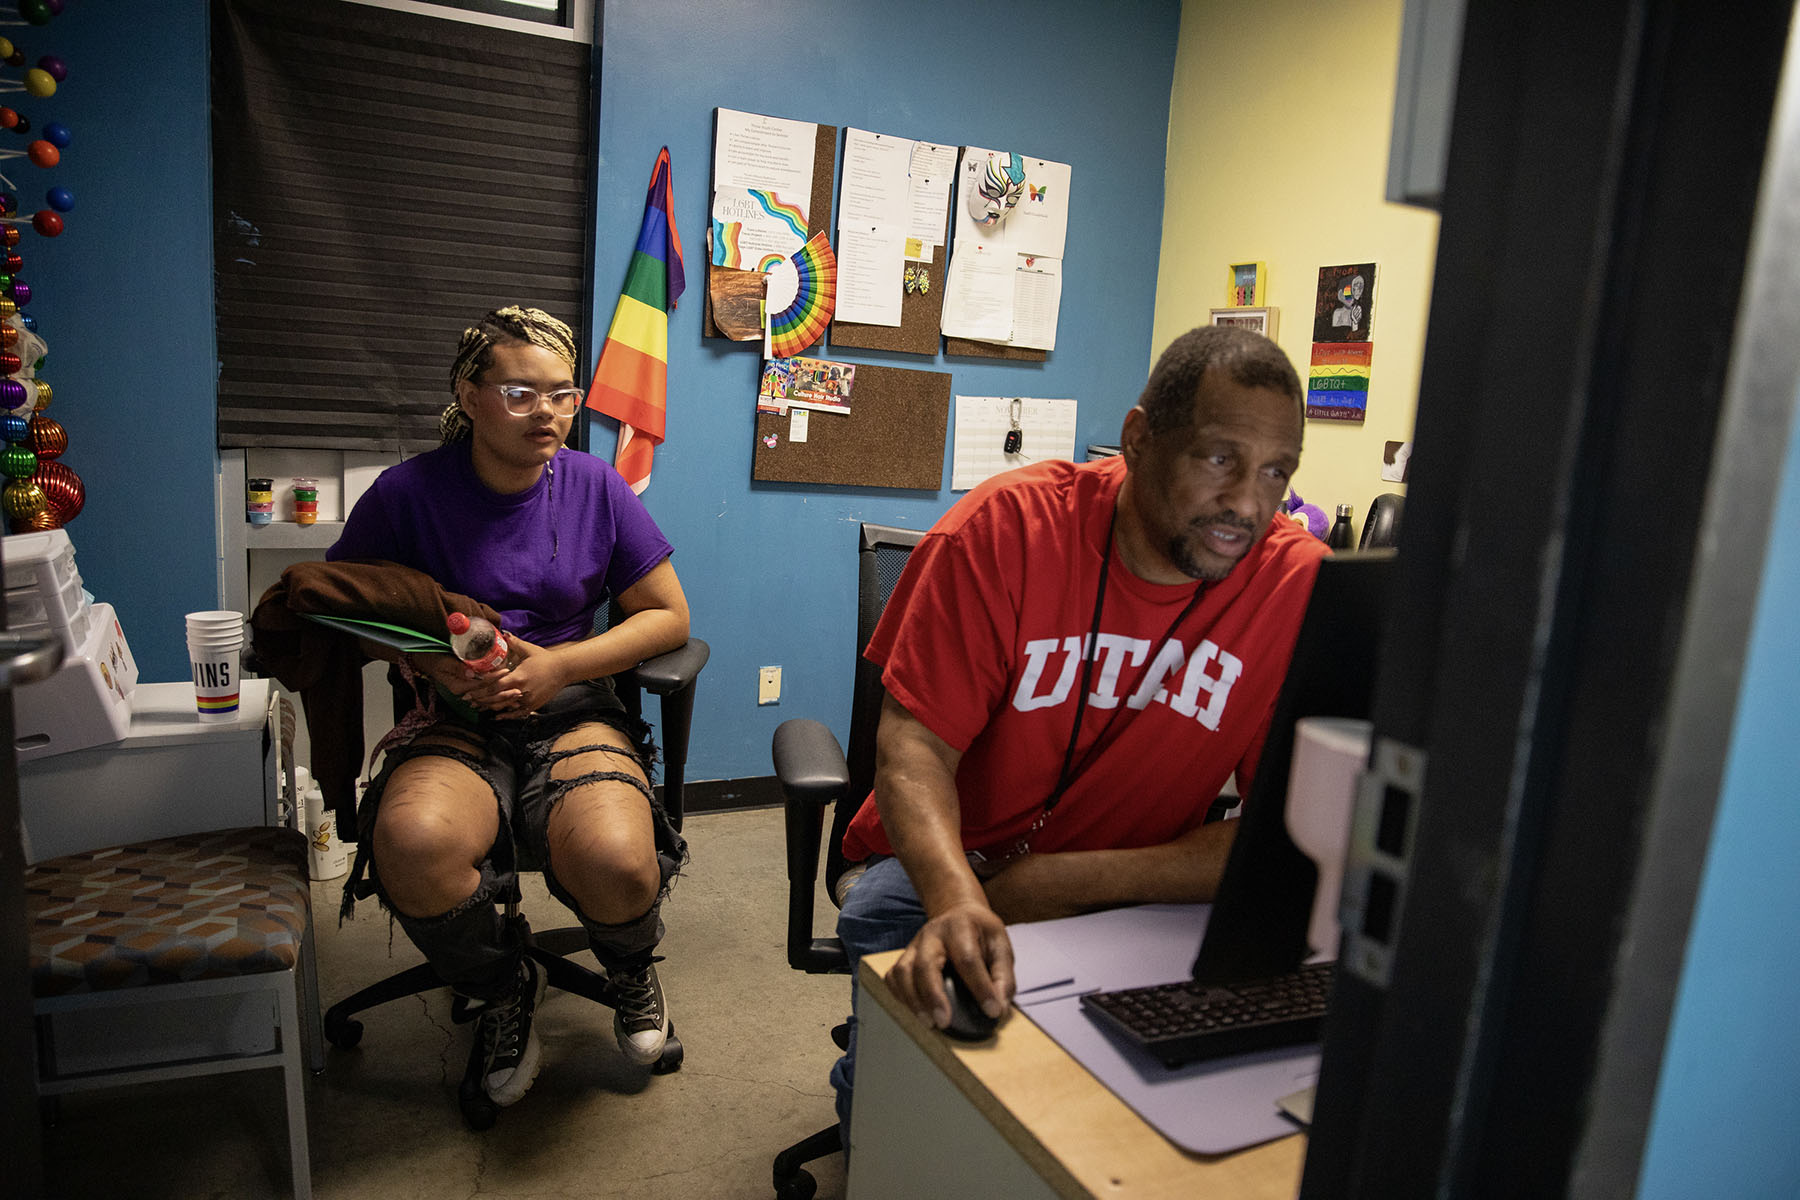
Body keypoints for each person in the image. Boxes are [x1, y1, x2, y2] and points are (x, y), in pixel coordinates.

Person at [829, 324, 1329, 1129]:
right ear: (1138, 439)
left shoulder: (1295, 586)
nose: (1248, 501)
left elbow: (1285, 839)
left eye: (1277, 471)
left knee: (1144, 1106)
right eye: (1219, 458)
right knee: (922, 1096)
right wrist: (962, 898)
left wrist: (1065, 881)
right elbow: (914, 749)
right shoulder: (1005, 530)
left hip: (1135, 877)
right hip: (962, 859)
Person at [326, 305, 690, 1108]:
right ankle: (501, 985)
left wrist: (560, 666)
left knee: (621, 860)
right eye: (523, 393)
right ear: (470, 391)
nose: (550, 414)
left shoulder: (596, 485)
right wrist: (432, 664)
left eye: (564, 394)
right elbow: (338, 607)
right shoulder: (406, 493)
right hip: (454, 713)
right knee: (414, 844)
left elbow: (669, 616)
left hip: (569, 703)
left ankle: (629, 969)